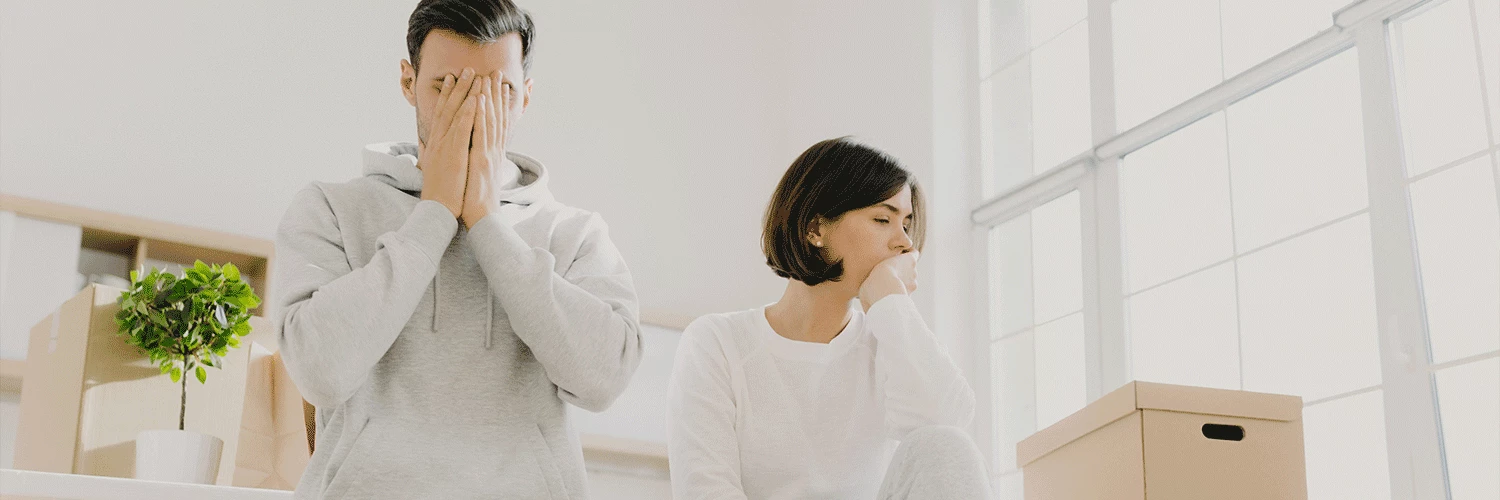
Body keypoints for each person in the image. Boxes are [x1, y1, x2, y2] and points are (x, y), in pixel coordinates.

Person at [273, 1, 642, 497]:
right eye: (448, 86)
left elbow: (605, 379)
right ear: (408, 83)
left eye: (498, 90)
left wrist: (487, 223)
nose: (474, 109)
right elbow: (319, 371)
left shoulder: (574, 232)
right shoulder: (330, 208)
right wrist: (437, 211)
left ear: (526, 96)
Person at [666, 137, 991, 499]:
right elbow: (705, 490)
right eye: (883, 219)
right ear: (815, 229)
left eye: (906, 224)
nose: (904, 243)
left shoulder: (888, 341)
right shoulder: (718, 343)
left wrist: (890, 304)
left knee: (943, 443)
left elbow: (946, 435)